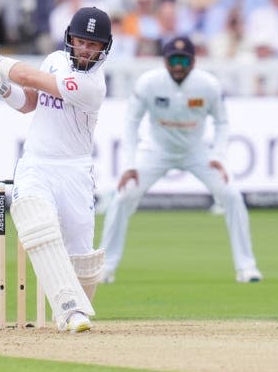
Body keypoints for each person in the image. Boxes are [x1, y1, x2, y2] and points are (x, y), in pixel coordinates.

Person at [0, 6, 113, 333]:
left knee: (81, 259)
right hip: (36, 163)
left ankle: (77, 308)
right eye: (81, 40)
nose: (86, 48)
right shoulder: (55, 60)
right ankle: (70, 311)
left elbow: (30, 77)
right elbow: (29, 101)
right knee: (34, 219)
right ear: (70, 37)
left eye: (94, 44)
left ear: (104, 47)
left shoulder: (92, 85)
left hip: (74, 172)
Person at [98, 35, 263, 284]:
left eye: (182, 60)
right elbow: (132, 122)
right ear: (164, 61)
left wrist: (218, 155)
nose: (177, 65)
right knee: (123, 196)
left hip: (196, 151)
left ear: (193, 62)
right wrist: (130, 164)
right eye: (172, 60)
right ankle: (105, 267)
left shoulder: (207, 85)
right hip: (156, 150)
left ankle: (247, 267)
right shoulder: (149, 83)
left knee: (231, 195)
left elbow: (222, 122)